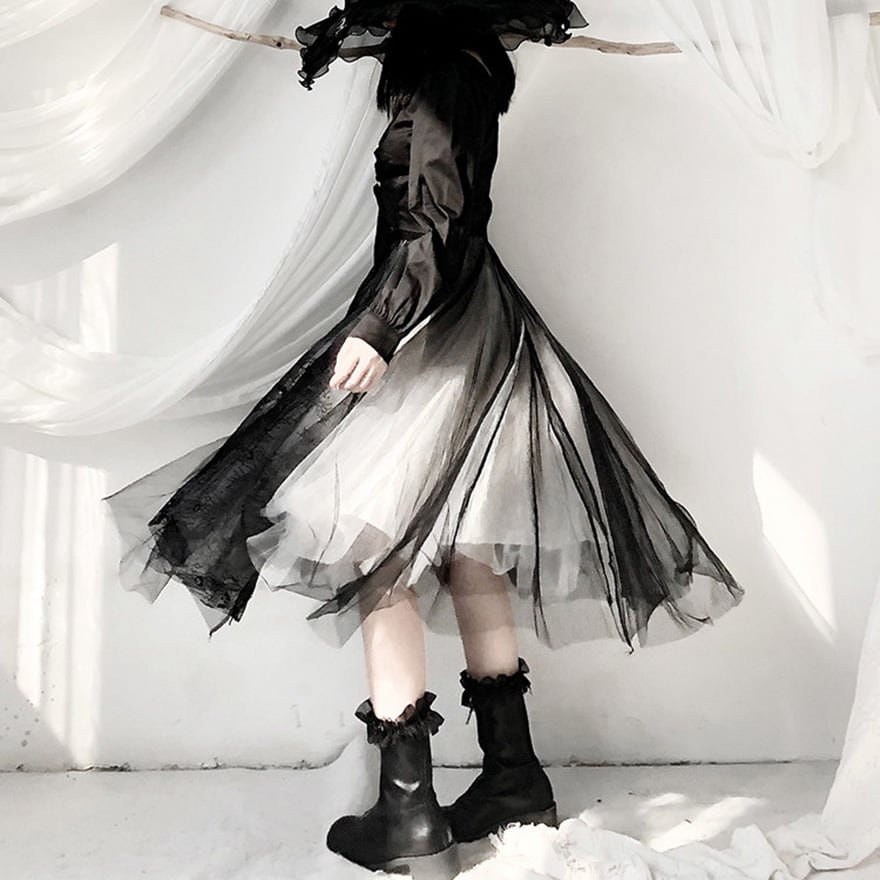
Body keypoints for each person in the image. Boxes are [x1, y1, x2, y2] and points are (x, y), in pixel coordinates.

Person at [103, 1, 743, 877]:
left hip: (432, 325)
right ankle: (514, 779)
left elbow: (437, 218)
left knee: (381, 550)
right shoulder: (463, 65)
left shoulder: (444, 73)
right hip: (462, 315)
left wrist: (378, 327)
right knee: (467, 548)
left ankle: (409, 813)